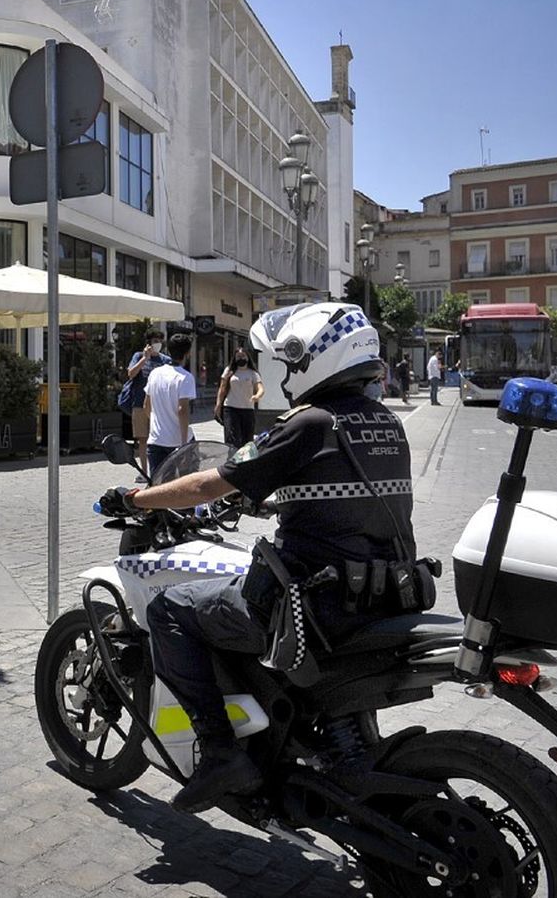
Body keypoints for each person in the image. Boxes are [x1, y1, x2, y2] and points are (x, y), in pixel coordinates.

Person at [99, 302, 415, 813]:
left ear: (316, 358)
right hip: (383, 595)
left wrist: (135, 498)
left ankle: (222, 753)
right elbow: (338, 494)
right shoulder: (386, 423)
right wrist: (267, 498)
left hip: (313, 605)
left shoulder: (310, 424)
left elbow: (206, 483)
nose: (288, 376)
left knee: (170, 610)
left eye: (291, 364)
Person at [143, 333, 196, 477]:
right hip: (176, 440)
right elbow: (182, 410)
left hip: (156, 439)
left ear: (168, 351)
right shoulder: (185, 378)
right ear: (188, 353)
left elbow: (146, 406)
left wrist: (158, 422)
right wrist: (184, 444)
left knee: (158, 486)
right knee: (185, 484)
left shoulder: (155, 374)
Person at [124, 329, 171, 477]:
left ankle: (159, 470)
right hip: (139, 403)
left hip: (159, 406)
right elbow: (131, 374)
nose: (157, 343)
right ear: (149, 343)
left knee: (158, 439)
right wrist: (145, 358)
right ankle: (144, 472)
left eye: (159, 340)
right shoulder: (138, 356)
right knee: (143, 439)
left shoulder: (165, 360)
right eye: (154, 341)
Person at [214, 347, 264, 452]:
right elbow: (222, 388)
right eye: (238, 356)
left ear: (247, 357)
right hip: (231, 408)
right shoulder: (229, 371)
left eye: (243, 356)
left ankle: (245, 464)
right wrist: (218, 405)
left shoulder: (252, 373)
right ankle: (231, 462)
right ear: (234, 358)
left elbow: (260, 388)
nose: (241, 358)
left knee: (247, 441)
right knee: (232, 439)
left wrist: (257, 396)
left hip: (247, 410)